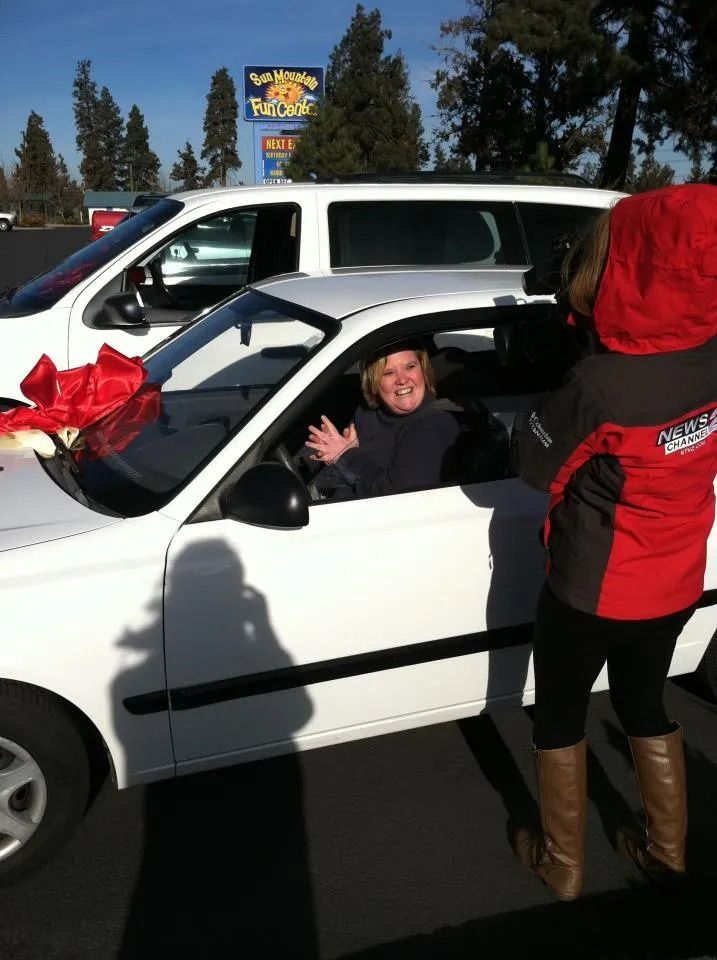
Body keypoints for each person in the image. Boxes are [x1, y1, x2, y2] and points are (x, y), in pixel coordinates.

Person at [514, 183, 717, 901]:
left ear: (631, 263)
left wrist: (555, 390)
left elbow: (535, 465)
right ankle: (666, 852)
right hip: (673, 580)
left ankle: (562, 865)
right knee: (643, 703)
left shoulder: (599, 383)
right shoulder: (708, 357)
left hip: (592, 585)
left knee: (561, 711)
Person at [305, 344, 460, 499]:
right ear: (374, 382)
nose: (402, 379)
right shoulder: (365, 415)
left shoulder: (434, 425)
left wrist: (345, 456)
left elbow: (397, 497)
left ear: (423, 370)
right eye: (389, 373)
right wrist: (327, 451)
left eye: (410, 367)